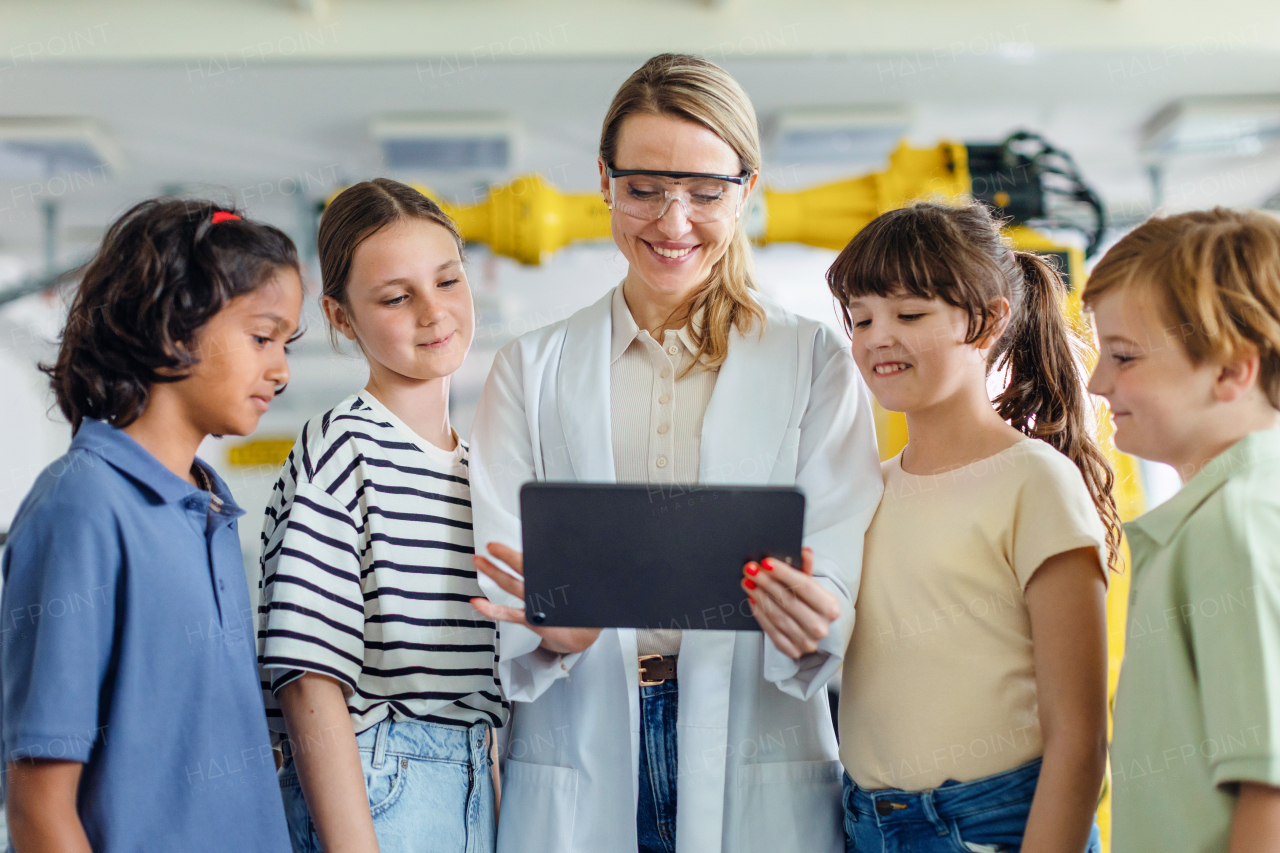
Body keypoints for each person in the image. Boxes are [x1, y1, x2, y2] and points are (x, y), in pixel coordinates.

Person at [467, 53, 882, 853]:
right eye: (645, 189)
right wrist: (553, 629)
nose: (673, 220)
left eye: (705, 192)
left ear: (746, 192)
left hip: (755, 733)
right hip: (581, 734)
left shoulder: (812, 361)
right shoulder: (531, 367)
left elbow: (835, 553)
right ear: (604, 181)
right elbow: (507, 559)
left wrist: (813, 614)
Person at [1, 199, 301, 852]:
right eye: (261, 337)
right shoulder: (81, 508)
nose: (281, 370)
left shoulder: (212, 511)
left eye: (286, 343)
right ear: (172, 328)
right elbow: (38, 808)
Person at [828, 201, 1122, 853]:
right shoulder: (862, 489)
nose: (878, 336)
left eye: (908, 314)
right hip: (864, 825)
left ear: (988, 320)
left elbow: (1080, 740)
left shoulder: (1034, 482)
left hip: (991, 826)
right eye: (860, 317)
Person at [256, 178, 505, 853]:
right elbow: (309, 679)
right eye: (397, 297)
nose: (433, 311)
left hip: (472, 774)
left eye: (448, 280)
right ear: (340, 317)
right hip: (379, 779)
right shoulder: (341, 447)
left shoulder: (482, 468)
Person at [1084, 208, 1280, 853]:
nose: (1097, 381)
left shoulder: (1237, 520)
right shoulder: (1224, 511)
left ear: (1231, 371)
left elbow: (1271, 791)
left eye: (1124, 356)